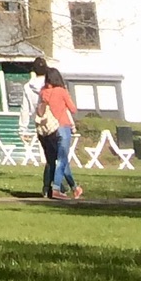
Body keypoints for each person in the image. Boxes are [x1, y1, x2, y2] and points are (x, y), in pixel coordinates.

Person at [39, 66, 82, 202]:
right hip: (63, 126)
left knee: (58, 161)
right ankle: (56, 188)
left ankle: (74, 188)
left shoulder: (43, 92)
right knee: (62, 160)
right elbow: (73, 109)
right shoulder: (61, 91)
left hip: (50, 130)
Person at [20, 56, 53, 195]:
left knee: (49, 157)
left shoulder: (28, 87)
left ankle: (47, 187)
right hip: (53, 122)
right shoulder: (50, 84)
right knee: (58, 157)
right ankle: (57, 186)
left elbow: (25, 108)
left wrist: (23, 129)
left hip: (39, 124)